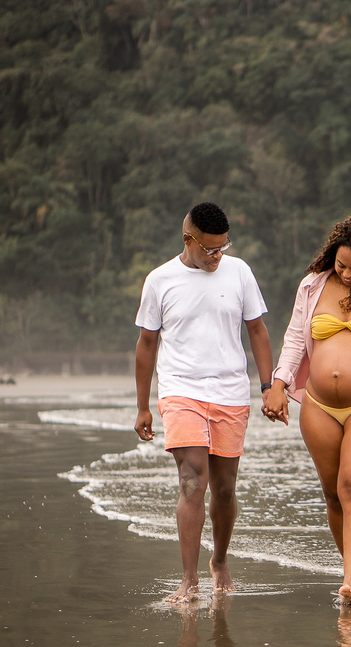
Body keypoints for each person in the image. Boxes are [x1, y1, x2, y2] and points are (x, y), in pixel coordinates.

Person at [263, 214, 351, 605]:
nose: (346, 273)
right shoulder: (312, 286)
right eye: (341, 265)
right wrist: (278, 384)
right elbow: (295, 338)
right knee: (332, 495)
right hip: (319, 405)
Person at [134, 201, 274, 603]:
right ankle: (189, 579)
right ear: (188, 240)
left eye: (223, 248)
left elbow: (259, 332)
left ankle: (220, 560)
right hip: (181, 391)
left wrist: (268, 386)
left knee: (225, 489)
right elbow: (146, 344)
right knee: (193, 480)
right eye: (209, 249)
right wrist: (143, 406)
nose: (217, 257)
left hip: (230, 391)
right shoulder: (160, 280)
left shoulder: (240, 272)